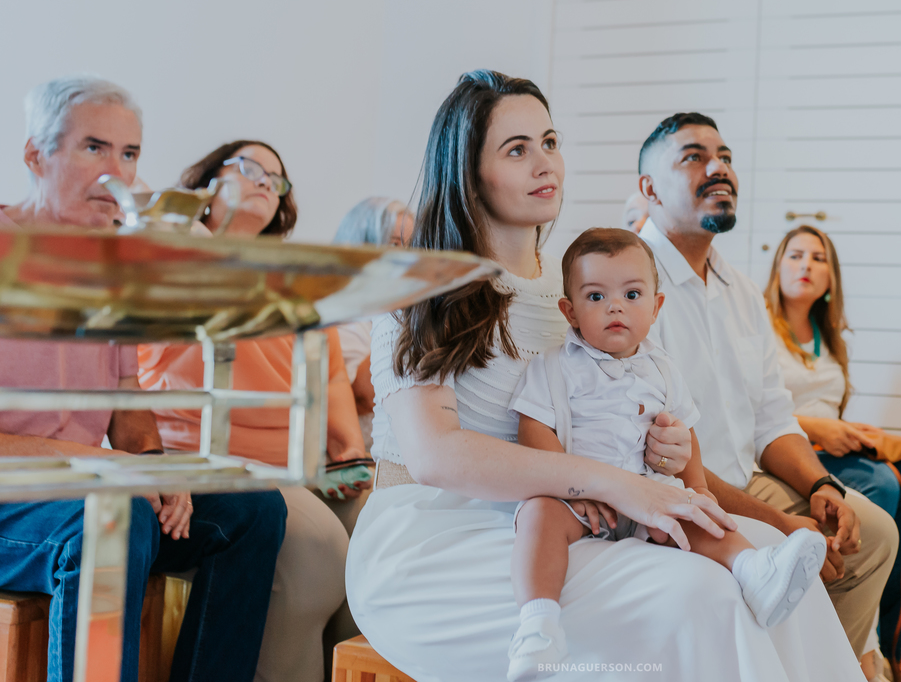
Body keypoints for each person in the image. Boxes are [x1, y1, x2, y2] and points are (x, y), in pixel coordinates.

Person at [346, 69, 862, 682]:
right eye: (518, 150)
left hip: (574, 515)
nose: (546, 165)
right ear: (468, 170)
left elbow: (639, 418)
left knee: (767, 565)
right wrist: (616, 485)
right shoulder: (419, 288)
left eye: (551, 142)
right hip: (440, 539)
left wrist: (665, 452)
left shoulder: (583, 294)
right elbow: (436, 457)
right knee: (699, 594)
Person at [0, 75, 287, 682]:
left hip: (77, 492)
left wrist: (156, 464)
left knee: (252, 510)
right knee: (114, 516)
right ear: (35, 155)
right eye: (94, 148)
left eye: (129, 154)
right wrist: (106, 468)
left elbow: (127, 400)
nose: (117, 174)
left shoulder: (112, 267)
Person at [636, 112, 900, 681]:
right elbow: (660, 458)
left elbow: (772, 419)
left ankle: (813, 669)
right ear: (648, 189)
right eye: (693, 156)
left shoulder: (739, 290)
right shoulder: (630, 284)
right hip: (680, 493)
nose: (719, 168)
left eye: (725, 156)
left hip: (744, 477)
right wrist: (782, 526)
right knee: (796, 548)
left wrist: (821, 486)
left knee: (871, 534)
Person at [508, 227, 826, 680]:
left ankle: (754, 568)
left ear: (656, 307)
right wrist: (569, 488)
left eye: (632, 294)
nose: (615, 306)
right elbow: (533, 429)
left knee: (697, 515)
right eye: (595, 297)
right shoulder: (555, 366)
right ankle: (537, 626)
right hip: (580, 503)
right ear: (570, 312)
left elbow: (685, 432)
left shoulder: (662, 369)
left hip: (649, 498)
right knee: (537, 515)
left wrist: (697, 488)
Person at [137, 140, 370, 682]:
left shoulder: (297, 282)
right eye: (250, 168)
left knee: (380, 526)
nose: (267, 181)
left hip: (298, 464)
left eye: (277, 178)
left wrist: (349, 447)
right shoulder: (176, 255)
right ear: (206, 180)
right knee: (316, 546)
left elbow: (331, 370)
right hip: (210, 459)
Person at [766, 226, 901, 681]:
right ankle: (866, 645)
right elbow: (755, 411)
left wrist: (848, 430)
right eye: (796, 255)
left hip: (832, 447)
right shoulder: (760, 326)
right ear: (777, 266)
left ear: (831, 279)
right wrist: (819, 426)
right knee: (881, 485)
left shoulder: (829, 337)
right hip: (790, 450)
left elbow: (828, 402)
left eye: (818, 258)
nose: (806, 265)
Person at [332, 197, 415, 450]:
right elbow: (366, 396)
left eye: (413, 246)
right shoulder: (341, 318)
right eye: (394, 244)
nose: (408, 258)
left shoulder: (407, 312)